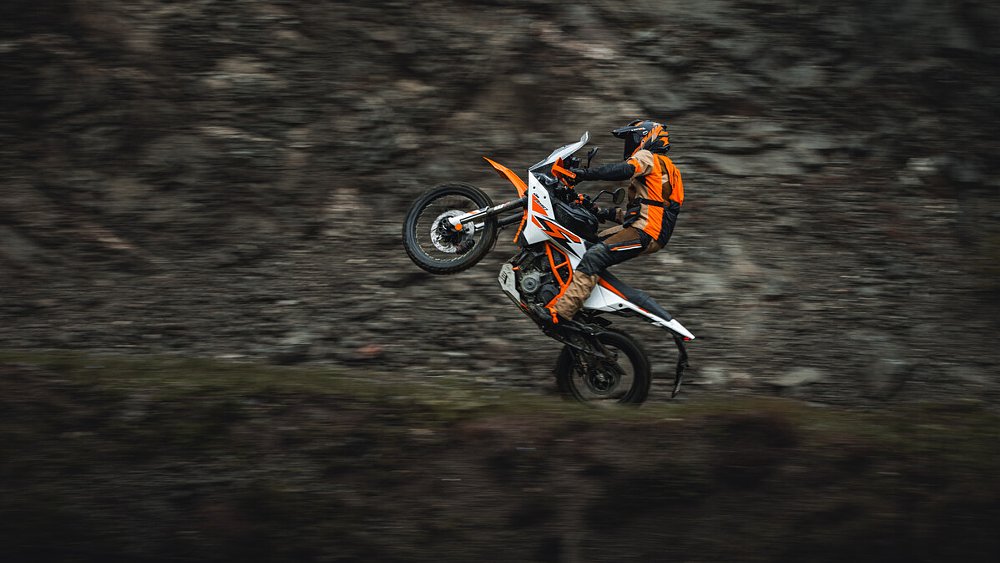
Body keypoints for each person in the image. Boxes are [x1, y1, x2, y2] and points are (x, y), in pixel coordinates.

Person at [543, 119, 684, 325]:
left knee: (595, 255)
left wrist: (582, 174)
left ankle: (562, 312)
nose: (629, 146)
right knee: (586, 242)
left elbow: (624, 170)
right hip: (648, 229)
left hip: (645, 232)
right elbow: (648, 210)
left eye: (632, 139)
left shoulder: (648, 158)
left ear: (646, 138)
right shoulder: (669, 170)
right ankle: (573, 294)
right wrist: (602, 212)